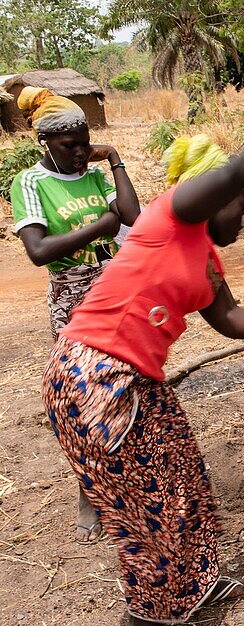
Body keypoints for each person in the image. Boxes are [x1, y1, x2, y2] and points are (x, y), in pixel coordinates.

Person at [42, 100, 244, 626]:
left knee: (184, 479)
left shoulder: (205, 258)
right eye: (243, 201)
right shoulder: (169, 217)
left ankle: (193, 586)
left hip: (135, 378)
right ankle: (144, 623)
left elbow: (229, 320)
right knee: (142, 502)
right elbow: (233, 172)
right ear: (213, 196)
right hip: (94, 375)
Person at [11, 85, 141, 540]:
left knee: (125, 387)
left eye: (87, 142)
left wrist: (116, 158)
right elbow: (39, 251)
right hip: (72, 300)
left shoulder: (93, 172)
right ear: (45, 143)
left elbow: (131, 214)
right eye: (71, 146)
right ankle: (88, 488)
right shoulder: (30, 182)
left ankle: (126, 480)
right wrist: (102, 227)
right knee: (84, 398)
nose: (82, 152)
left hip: (115, 291)